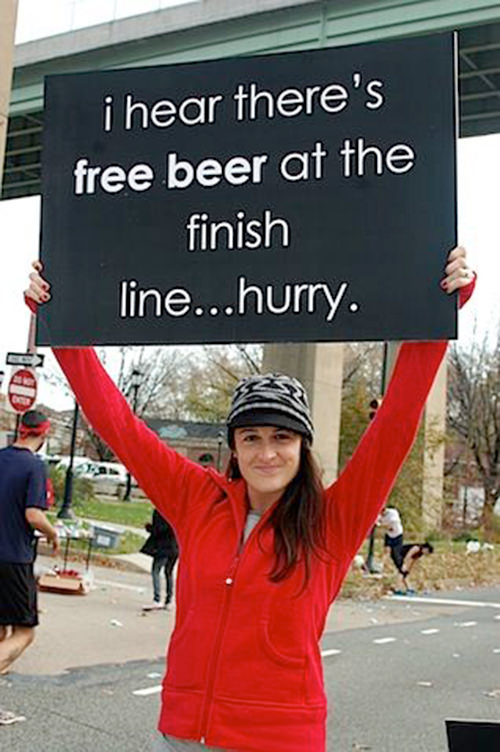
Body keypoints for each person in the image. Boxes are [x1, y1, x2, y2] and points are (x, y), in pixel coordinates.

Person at [25, 246, 474, 752]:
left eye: (282, 438)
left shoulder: (332, 519)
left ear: (303, 447)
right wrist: (58, 322)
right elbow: (119, 426)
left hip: (278, 740)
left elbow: (396, 423)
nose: (267, 452)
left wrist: (441, 313)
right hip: (179, 735)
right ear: (234, 448)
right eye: (252, 437)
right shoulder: (197, 498)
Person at [0, 410, 59, 683]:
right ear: (44, 434)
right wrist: (52, 533)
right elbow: (33, 515)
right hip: (13, 558)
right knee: (25, 632)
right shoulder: (34, 466)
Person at [141, 509, 179, 611]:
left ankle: (157, 599)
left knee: (156, 571)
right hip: (175, 545)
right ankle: (168, 600)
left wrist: (149, 528)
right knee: (168, 572)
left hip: (163, 547)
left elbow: (159, 530)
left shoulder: (160, 511)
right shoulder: (176, 510)